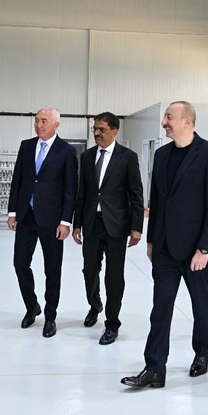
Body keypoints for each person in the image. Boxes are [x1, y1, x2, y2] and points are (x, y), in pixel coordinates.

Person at [121, 101, 208, 389]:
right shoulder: (162, 154)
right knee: (161, 307)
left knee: (200, 304)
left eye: (169, 117)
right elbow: (157, 200)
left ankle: (203, 352)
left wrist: (204, 248)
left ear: (187, 121)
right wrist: (152, 239)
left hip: (195, 249)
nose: (164, 122)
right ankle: (155, 367)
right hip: (165, 246)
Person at [72, 112, 144, 346]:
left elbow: (136, 193)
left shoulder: (128, 157)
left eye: (101, 129)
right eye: (94, 129)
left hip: (117, 225)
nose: (96, 133)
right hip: (92, 223)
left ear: (115, 131)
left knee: (114, 276)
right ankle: (95, 305)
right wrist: (77, 223)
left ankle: (112, 324)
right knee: (89, 271)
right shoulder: (87, 157)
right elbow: (82, 193)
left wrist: (136, 227)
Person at [7, 106, 78, 338]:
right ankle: (32, 306)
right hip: (26, 216)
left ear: (56, 124)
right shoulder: (26, 146)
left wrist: (66, 221)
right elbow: (18, 180)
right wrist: (12, 212)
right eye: (37, 120)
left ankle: (50, 316)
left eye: (44, 121)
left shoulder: (66, 151)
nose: (39, 125)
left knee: (52, 269)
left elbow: (70, 189)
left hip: (52, 219)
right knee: (20, 263)